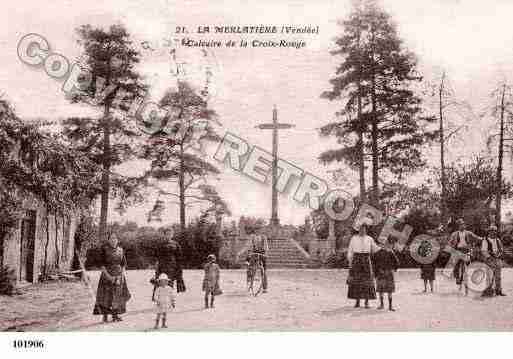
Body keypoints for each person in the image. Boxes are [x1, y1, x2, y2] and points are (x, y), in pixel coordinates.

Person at [93, 231, 131, 323]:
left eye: (115, 238)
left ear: (117, 240)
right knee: (106, 296)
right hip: (107, 275)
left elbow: (123, 265)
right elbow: (102, 265)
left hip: (119, 275)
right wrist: (108, 276)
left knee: (117, 295)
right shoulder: (104, 249)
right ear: (108, 240)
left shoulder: (121, 250)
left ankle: (115, 315)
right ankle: (105, 317)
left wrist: (121, 276)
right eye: (111, 238)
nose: (113, 240)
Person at [347, 223, 380, 308]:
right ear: (358, 229)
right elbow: (350, 251)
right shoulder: (354, 238)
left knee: (367, 281)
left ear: (366, 230)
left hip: (366, 259)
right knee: (356, 281)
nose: (362, 230)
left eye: (364, 229)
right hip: (356, 260)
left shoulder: (369, 239)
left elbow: (376, 249)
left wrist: (385, 249)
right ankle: (357, 301)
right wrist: (350, 262)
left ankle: (366, 302)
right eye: (361, 229)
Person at [449, 218, 482, 291]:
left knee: (469, 265)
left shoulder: (468, 233)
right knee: (456, 265)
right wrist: (451, 247)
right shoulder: (454, 234)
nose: (462, 226)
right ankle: (458, 278)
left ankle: (471, 278)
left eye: (463, 224)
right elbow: (450, 241)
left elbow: (476, 237)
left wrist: (483, 239)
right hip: (458, 250)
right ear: (458, 226)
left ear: (464, 225)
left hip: (466, 250)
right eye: (460, 225)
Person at [155, 229, 186, 294]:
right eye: (167, 234)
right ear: (164, 235)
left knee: (170, 283)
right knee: (162, 282)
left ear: (172, 235)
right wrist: (157, 267)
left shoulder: (176, 244)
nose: (168, 235)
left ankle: (170, 300)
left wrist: (179, 268)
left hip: (173, 267)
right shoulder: (160, 244)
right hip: (163, 267)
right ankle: (162, 299)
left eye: (170, 234)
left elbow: (179, 257)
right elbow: (157, 256)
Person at [373, 240, 400, 311]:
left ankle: (390, 306)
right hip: (380, 273)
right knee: (380, 290)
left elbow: (397, 262)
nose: (383, 245)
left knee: (389, 290)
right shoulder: (377, 253)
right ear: (379, 245)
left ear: (387, 244)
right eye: (381, 244)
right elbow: (375, 264)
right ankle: (382, 305)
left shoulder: (390, 252)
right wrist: (376, 274)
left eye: (385, 244)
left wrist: (394, 269)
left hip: (388, 273)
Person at [481, 225, 506, 297]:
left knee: (498, 276)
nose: (494, 233)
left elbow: (501, 249)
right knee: (490, 276)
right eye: (492, 231)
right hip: (489, 260)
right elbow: (483, 251)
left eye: (495, 231)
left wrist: (499, 254)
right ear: (489, 232)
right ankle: (488, 291)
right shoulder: (485, 240)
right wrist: (489, 257)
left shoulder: (498, 240)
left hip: (497, 259)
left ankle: (498, 291)